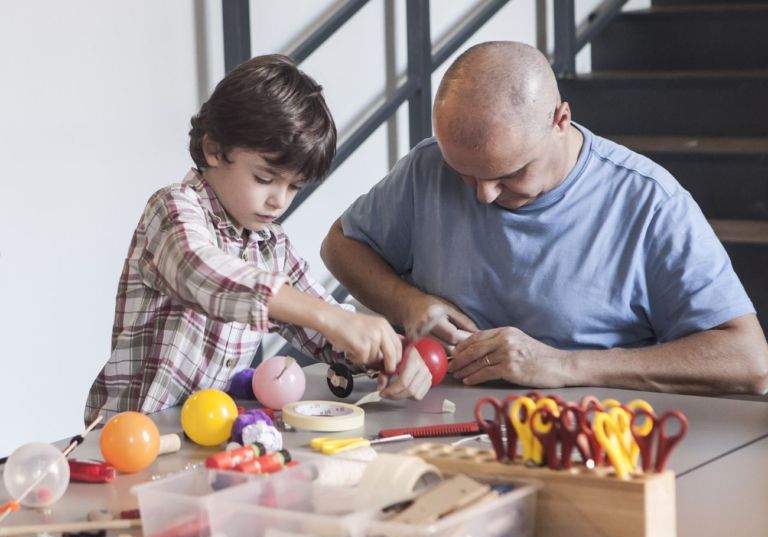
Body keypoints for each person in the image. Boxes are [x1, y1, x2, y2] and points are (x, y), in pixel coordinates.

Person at [321, 41, 768, 395]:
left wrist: (562, 364)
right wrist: (409, 303)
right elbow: (340, 242)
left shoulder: (649, 202)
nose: (483, 195)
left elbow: (748, 360)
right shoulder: (427, 168)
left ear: (560, 119)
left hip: (596, 439)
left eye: (510, 173)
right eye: (465, 175)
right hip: (445, 420)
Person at [85, 55, 430, 423]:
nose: (278, 200)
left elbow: (321, 325)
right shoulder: (172, 208)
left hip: (201, 438)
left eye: (294, 186)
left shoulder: (271, 245)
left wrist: (391, 352)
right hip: (127, 438)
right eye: (265, 178)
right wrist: (330, 318)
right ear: (214, 150)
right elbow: (202, 272)